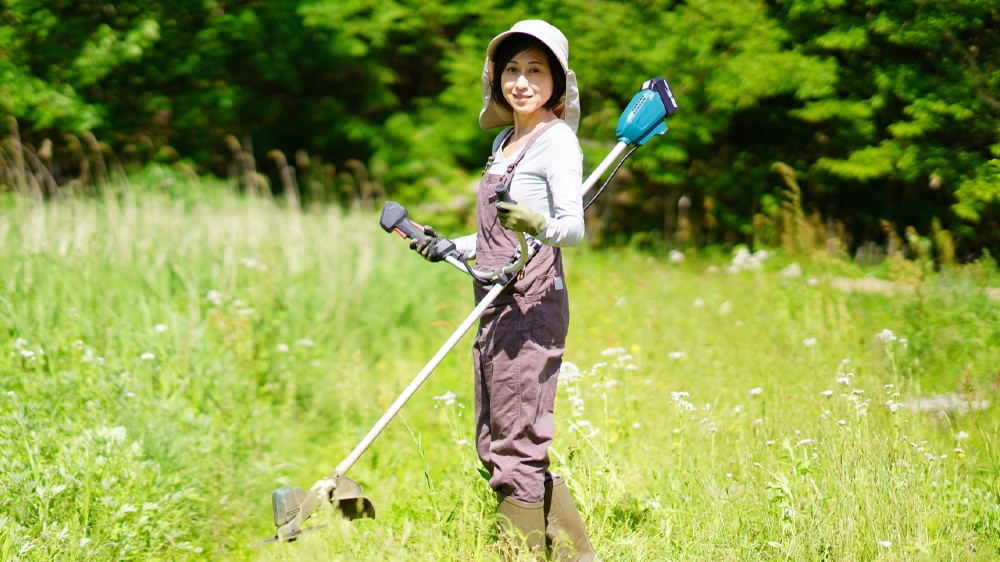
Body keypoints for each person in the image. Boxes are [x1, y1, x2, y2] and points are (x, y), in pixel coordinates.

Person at [411, 19, 598, 562]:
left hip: (532, 303)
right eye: (511, 70)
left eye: (535, 70)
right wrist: (450, 245)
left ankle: (517, 553)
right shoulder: (503, 140)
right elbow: (497, 233)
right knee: (497, 438)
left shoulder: (557, 141)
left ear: (557, 83)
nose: (521, 81)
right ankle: (574, 555)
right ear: (496, 81)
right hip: (493, 300)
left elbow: (572, 226)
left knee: (519, 439)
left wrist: (537, 222)